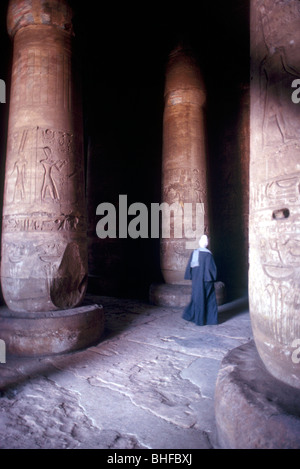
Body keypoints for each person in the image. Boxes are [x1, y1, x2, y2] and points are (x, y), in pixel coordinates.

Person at [182, 234, 218, 326]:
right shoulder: (208, 254)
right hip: (206, 280)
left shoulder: (194, 253)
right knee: (209, 299)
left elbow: (190, 266)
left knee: (197, 298)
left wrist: (189, 276)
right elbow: (211, 269)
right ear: (206, 243)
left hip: (196, 280)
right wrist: (212, 278)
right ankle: (211, 320)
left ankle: (199, 320)